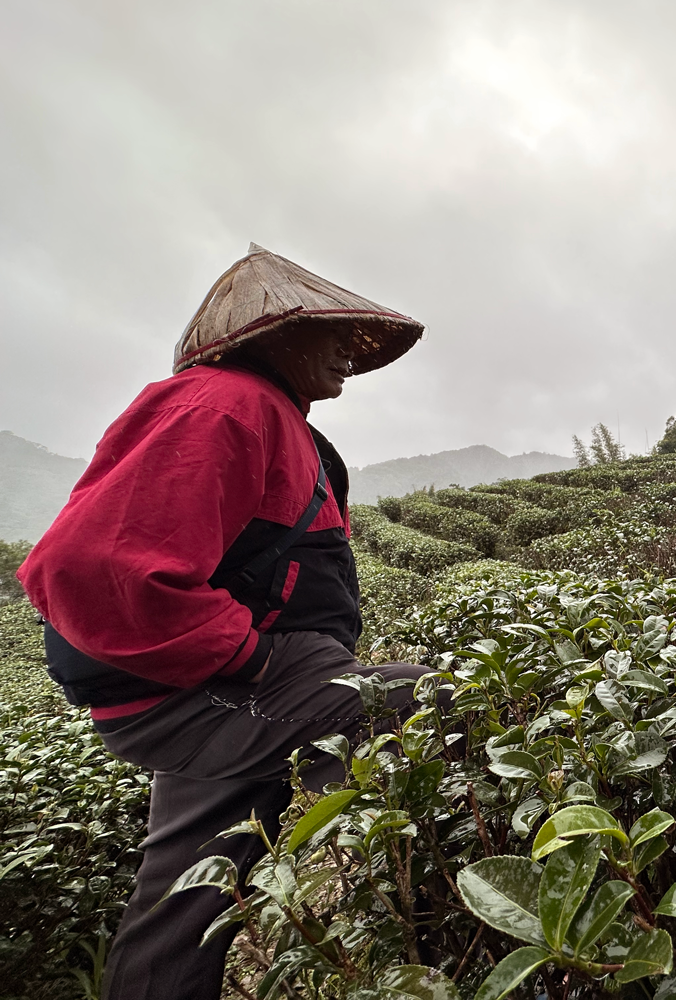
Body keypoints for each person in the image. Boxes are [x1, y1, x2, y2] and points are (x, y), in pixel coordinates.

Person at [17, 244, 431, 1000]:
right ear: (273, 337)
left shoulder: (265, 415)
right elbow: (87, 565)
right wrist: (251, 660)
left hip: (193, 686)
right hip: (208, 682)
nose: (347, 350)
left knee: (187, 891)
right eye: (329, 331)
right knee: (437, 701)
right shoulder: (223, 404)